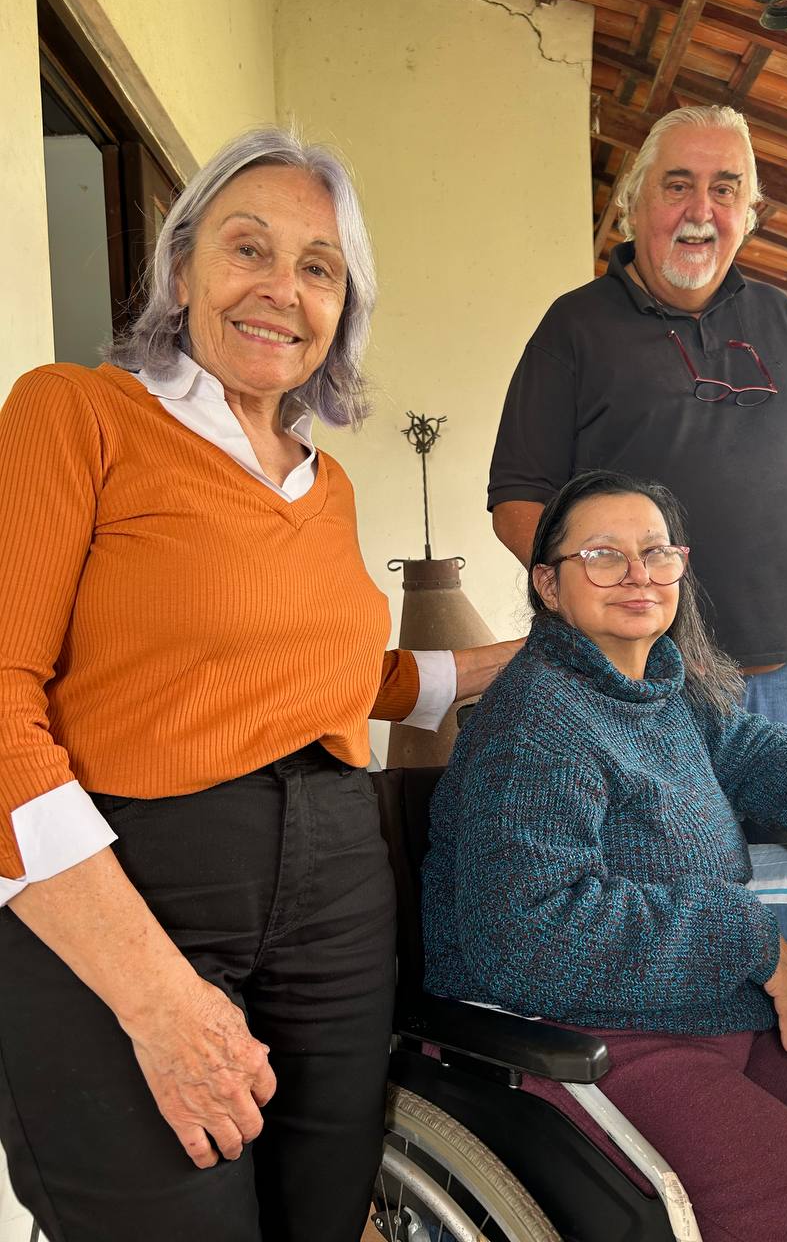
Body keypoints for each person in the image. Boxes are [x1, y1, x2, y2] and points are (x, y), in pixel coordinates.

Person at [0, 128, 519, 1242]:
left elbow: (328, 676)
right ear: (181, 269)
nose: (283, 288)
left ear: (343, 308)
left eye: (319, 267)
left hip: (337, 897)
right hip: (128, 886)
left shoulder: (324, 484)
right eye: (249, 249)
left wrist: (501, 665)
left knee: (320, 1220)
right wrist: (153, 993)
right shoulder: (76, 413)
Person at [421, 470, 787, 1242]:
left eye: (656, 552)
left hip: (721, 1015)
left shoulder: (655, 688)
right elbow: (524, 937)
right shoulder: (535, 724)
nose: (637, 574)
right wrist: (744, 938)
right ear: (548, 585)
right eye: (602, 555)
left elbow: (743, 743)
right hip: (596, 1043)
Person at [489, 103, 787, 744]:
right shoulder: (575, 327)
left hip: (784, 677)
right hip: (643, 681)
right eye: (678, 186)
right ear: (634, 201)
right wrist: (615, 618)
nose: (701, 210)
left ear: (748, 212)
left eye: (725, 190)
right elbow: (517, 502)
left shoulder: (784, 318)